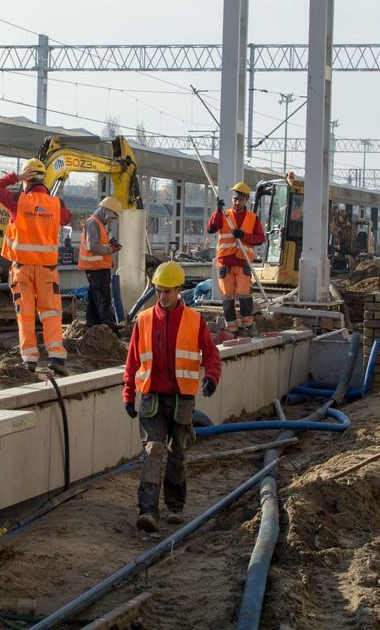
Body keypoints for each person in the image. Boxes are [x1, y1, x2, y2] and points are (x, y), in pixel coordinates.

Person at [122, 261, 222, 533]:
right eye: (158, 291)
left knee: (178, 452)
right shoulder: (143, 321)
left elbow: (212, 355)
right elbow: (132, 362)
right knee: (154, 449)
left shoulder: (194, 320)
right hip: (151, 398)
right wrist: (128, 394)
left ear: (179, 290)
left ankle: (175, 507)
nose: (162, 297)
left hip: (181, 399)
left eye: (167, 291)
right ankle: (148, 511)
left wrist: (212, 376)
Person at [0, 158, 72, 374]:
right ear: (43, 179)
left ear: (26, 180)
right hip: (47, 269)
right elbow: (67, 218)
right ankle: (56, 356)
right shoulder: (56, 203)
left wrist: (15, 177)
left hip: (22, 268)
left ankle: (29, 359)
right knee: (51, 312)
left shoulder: (18, 201)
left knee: (25, 314)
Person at [205, 182, 265, 334]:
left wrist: (243, 236)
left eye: (241, 199)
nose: (237, 202)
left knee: (245, 293)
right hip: (225, 262)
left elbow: (259, 239)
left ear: (246, 200)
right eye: (235, 199)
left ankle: (248, 324)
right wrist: (217, 211)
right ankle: (232, 327)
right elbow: (211, 228)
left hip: (242, 262)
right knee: (227, 296)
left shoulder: (253, 218)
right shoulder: (224, 215)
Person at [78, 196, 122, 328]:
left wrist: (109, 246)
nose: (111, 221)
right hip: (96, 269)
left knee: (94, 298)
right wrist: (110, 249)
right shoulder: (93, 223)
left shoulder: (97, 223)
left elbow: (96, 245)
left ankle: (92, 325)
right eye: (112, 218)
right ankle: (110, 327)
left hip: (96, 268)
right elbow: (93, 247)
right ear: (107, 212)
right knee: (104, 299)